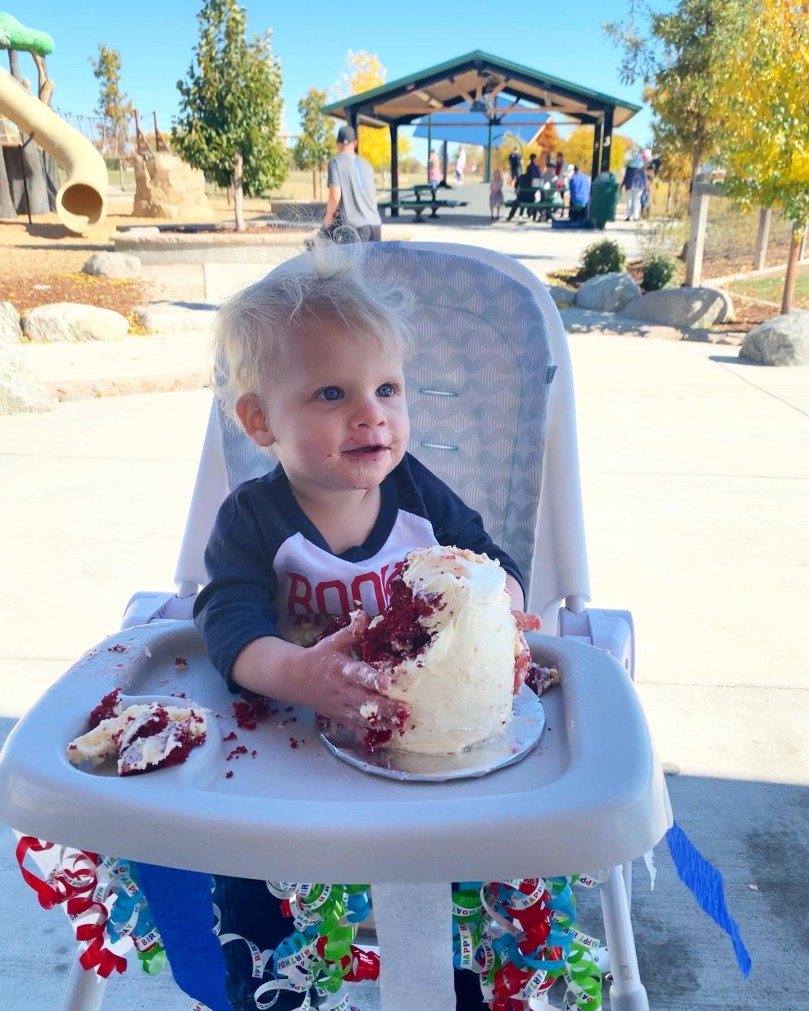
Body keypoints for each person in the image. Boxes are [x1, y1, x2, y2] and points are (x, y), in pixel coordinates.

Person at [194, 243, 530, 1010]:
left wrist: (497, 609)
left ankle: (467, 983)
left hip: (430, 757)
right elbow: (225, 623)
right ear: (260, 420)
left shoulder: (418, 495)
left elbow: (494, 563)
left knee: (482, 867)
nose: (371, 413)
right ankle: (271, 987)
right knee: (245, 869)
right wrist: (296, 672)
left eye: (386, 388)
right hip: (288, 761)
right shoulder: (252, 519)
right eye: (331, 392)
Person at [323, 125, 382, 242]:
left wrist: (328, 219)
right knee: (374, 255)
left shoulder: (335, 163)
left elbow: (335, 196)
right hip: (375, 224)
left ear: (338, 144)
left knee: (345, 254)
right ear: (355, 143)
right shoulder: (367, 164)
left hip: (356, 227)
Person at [621, 152, 648, 222]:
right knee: (637, 201)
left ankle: (628, 216)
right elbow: (644, 178)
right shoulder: (642, 167)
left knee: (629, 201)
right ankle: (635, 217)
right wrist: (645, 187)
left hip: (629, 185)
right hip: (639, 185)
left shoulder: (629, 166)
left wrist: (622, 186)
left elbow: (626, 177)